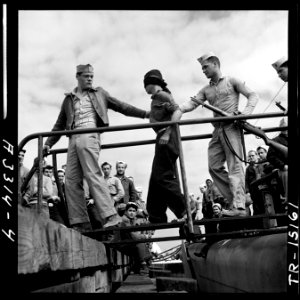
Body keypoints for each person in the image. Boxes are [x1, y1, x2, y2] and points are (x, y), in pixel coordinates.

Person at [43, 64, 149, 232]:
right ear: (77, 76)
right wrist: (48, 143)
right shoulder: (69, 99)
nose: (90, 79)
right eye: (86, 76)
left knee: (92, 173)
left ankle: (110, 215)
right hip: (73, 137)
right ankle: (80, 222)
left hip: (90, 133)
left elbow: (122, 106)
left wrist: (145, 114)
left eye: (92, 76)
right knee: (71, 180)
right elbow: (58, 126)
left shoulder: (100, 93)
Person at [174, 52, 259, 217]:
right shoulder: (206, 90)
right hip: (217, 130)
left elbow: (253, 95)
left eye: (205, 67)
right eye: (202, 68)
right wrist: (178, 112)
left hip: (231, 128)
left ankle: (239, 206)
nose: (203, 71)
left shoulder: (232, 81)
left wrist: (244, 114)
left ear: (215, 64)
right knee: (213, 166)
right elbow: (190, 104)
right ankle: (239, 199)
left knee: (234, 165)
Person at [143, 69, 186, 224]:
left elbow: (178, 111)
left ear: (150, 83)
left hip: (167, 138)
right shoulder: (156, 99)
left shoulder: (163, 96)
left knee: (162, 177)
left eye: (145, 84)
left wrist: (167, 132)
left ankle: (185, 209)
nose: (144, 88)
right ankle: (156, 216)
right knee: (156, 178)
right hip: (161, 138)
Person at [119, 202, 151, 274]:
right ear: (126, 212)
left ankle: (141, 265)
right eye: (130, 211)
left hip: (127, 243)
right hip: (122, 244)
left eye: (133, 211)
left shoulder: (131, 220)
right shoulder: (125, 220)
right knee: (139, 243)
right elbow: (133, 236)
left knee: (139, 244)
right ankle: (144, 264)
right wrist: (144, 236)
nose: (131, 213)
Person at [266, 118, 288, 201]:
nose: (285, 128)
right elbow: (270, 156)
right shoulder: (275, 140)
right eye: (283, 127)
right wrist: (283, 166)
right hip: (282, 169)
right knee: (287, 173)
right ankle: (289, 201)